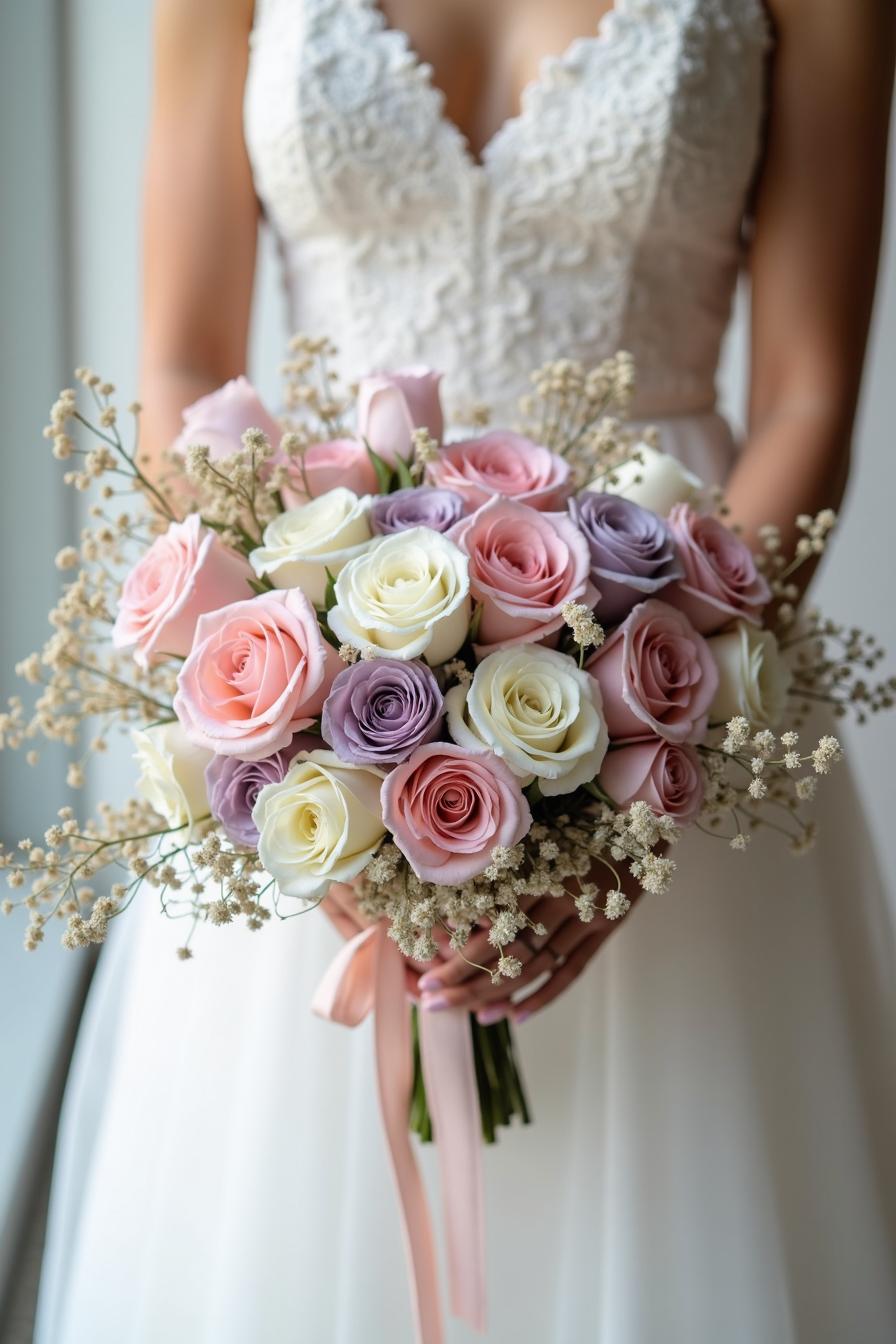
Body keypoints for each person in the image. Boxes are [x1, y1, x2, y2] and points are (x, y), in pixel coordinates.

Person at [36, 1, 896, 1340]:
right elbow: (183, 356)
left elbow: (806, 394)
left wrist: (651, 770)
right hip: (321, 649)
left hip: (674, 666)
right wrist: (293, 744)